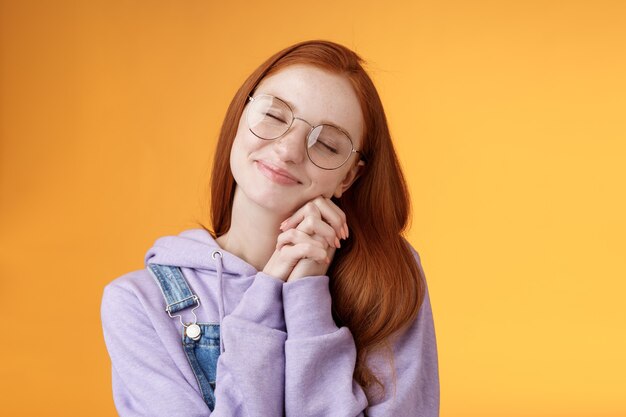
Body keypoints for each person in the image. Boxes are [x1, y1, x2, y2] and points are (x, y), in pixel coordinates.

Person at [101, 39, 439, 417]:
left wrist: (308, 294)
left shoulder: (385, 277)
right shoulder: (140, 303)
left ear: (348, 178)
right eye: (275, 116)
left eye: (327, 144)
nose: (289, 150)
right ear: (240, 117)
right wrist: (269, 289)